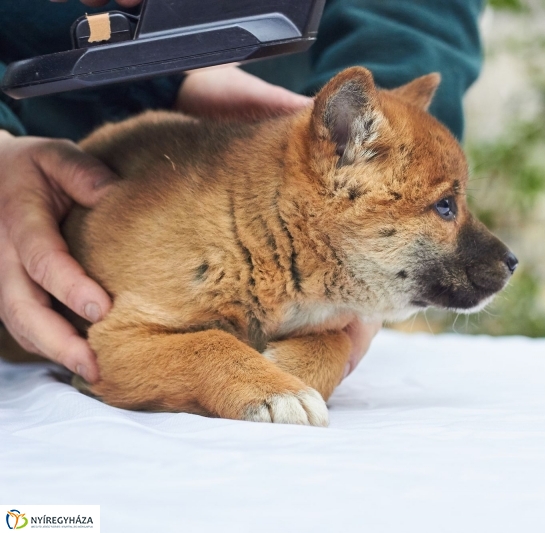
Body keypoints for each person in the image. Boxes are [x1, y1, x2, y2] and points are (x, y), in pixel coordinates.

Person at [0, 0, 483, 383]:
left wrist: (398, 137)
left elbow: (418, 13)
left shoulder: (344, 180)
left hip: (255, 117)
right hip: (49, 171)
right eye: (445, 207)